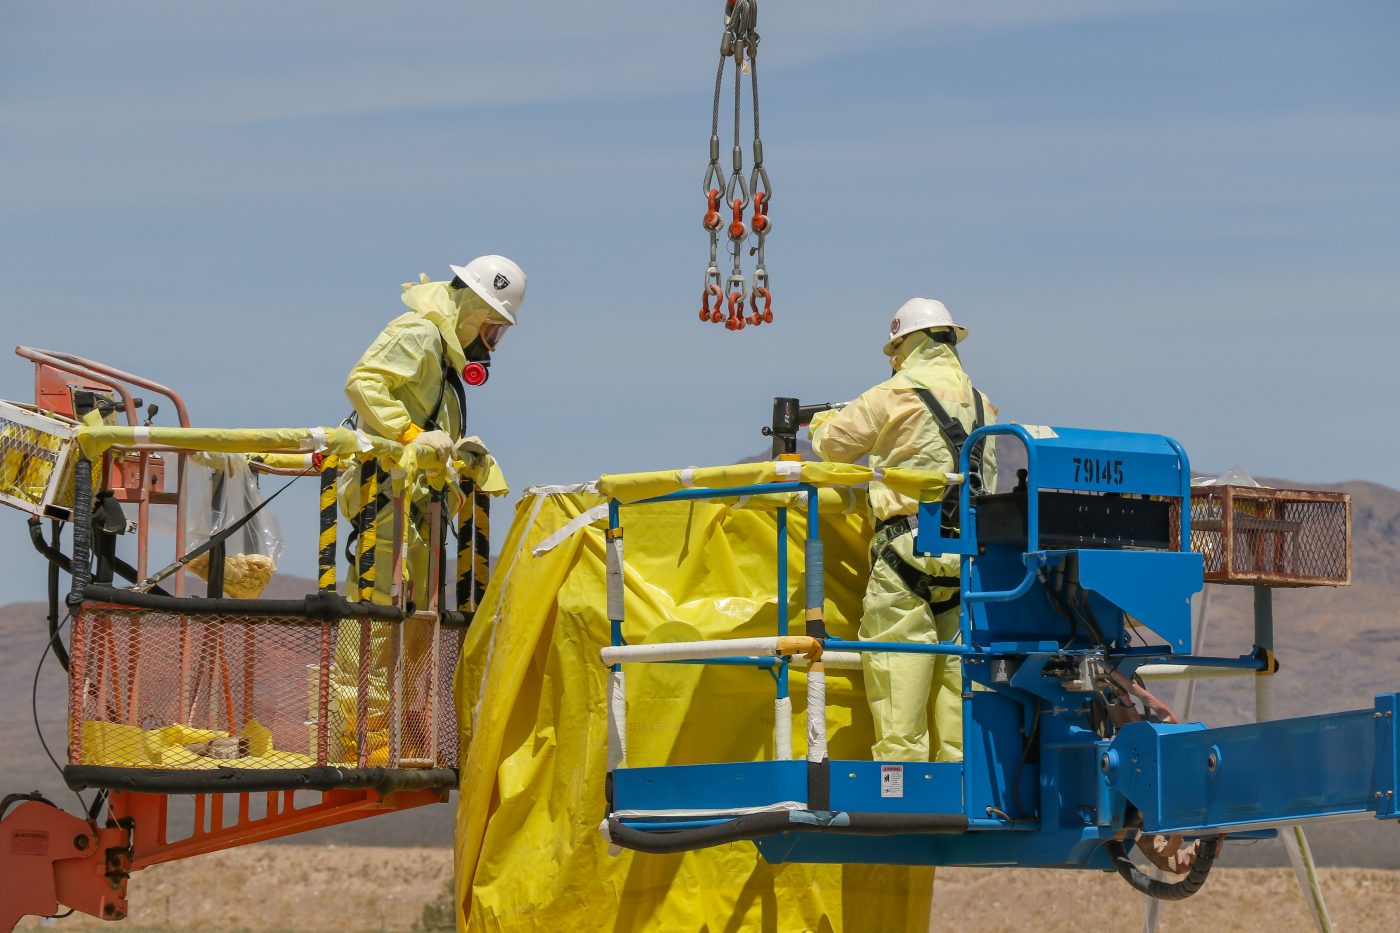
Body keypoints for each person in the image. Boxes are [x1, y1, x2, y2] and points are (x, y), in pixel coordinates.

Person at [331, 254, 525, 765]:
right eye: (491, 329)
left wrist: (460, 458)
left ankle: (397, 731)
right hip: (387, 495)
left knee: (414, 624)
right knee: (372, 616)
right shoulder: (417, 335)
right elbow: (365, 382)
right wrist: (413, 436)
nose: (490, 343)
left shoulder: (441, 355)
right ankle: (356, 737)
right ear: (470, 310)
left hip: (418, 506)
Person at [809, 298, 996, 763]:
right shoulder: (984, 405)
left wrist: (819, 423)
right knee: (959, 685)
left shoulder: (891, 395)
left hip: (905, 549)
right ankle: (960, 792)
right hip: (969, 555)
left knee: (898, 674)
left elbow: (835, 446)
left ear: (904, 344)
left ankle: (901, 790)